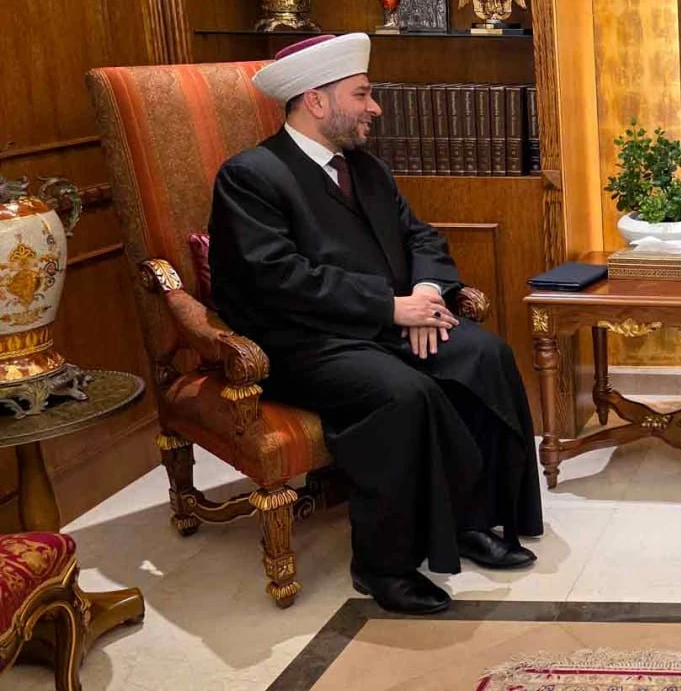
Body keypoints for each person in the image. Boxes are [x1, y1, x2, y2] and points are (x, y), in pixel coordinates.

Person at [208, 33, 543, 615]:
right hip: (306, 342)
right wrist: (390, 308)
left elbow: (421, 237)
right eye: (362, 95)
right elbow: (278, 278)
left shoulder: (366, 169)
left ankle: (472, 520)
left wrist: (425, 294)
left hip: (386, 321)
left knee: (484, 354)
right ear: (316, 101)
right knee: (402, 393)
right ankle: (383, 566)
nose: (375, 107)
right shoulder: (251, 175)